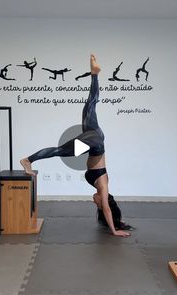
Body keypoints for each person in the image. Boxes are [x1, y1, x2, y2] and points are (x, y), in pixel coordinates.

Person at [20, 54, 130, 237]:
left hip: (96, 139)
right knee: (58, 151)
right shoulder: (103, 188)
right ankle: (27, 160)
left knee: (91, 103)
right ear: (105, 202)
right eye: (98, 204)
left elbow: (108, 209)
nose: (95, 202)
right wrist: (114, 230)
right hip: (94, 143)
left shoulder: (101, 186)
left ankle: (94, 74)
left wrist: (118, 222)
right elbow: (108, 210)